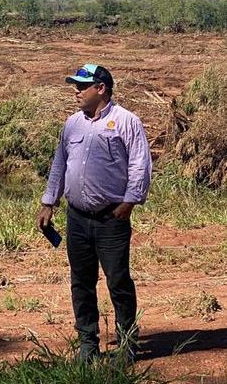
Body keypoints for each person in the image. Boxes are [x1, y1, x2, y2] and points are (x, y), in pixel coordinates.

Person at [36, 64, 152, 363]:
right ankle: (88, 343)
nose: (76, 91)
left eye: (82, 86)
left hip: (111, 218)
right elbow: (59, 164)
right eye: (75, 85)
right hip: (77, 218)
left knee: (117, 280)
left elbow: (140, 164)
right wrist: (49, 202)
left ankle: (127, 345)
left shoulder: (127, 121)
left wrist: (130, 202)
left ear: (101, 88)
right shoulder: (72, 123)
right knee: (81, 280)